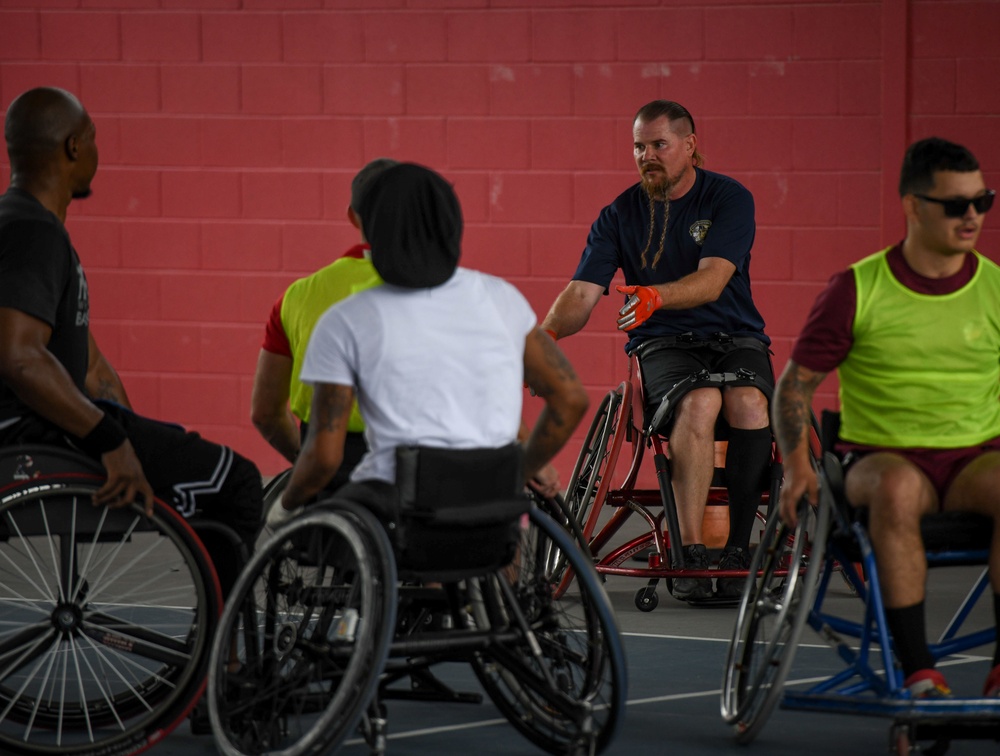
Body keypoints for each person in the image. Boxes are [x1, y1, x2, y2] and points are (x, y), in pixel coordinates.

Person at [0, 86, 262, 595]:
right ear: (74, 146)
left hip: (47, 426)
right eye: (94, 138)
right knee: (237, 484)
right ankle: (220, 642)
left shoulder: (26, 226)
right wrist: (113, 441)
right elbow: (20, 358)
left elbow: (91, 369)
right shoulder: (33, 232)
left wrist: (137, 444)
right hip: (33, 434)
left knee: (184, 462)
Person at [772, 136, 1000, 699]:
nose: (972, 216)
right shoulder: (857, 289)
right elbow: (794, 386)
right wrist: (797, 466)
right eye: (956, 204)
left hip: (974, 460)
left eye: (982, 201)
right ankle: (920, 671)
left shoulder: (995, 288)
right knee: (895, 488)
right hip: (881, 457)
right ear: (913, 206)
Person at [269, 162, 589, 527]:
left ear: (369, 227)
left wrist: (286, 506)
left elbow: (324, 458)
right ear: (452, 224)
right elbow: (571, 398)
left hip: (395, 507)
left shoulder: (345, 318)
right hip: (489, 502)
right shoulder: (501, 297)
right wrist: (519, 471)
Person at [540, 99, 772, 601]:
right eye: (638, 147)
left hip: (735, 336)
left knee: (750, 402)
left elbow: (713, 280)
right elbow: (582, 293)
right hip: (663, 343)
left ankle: (738, 550)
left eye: (659, 145)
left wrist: (655, 295)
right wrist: (545, 338)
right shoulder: (619, 214)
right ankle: (690, 553)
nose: (647, 156)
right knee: (701, 401)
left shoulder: (728, 198)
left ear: (690, 146)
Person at [251, 158, 396, 500]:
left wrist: (306, 462)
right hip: (423, 474)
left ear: (353, 217)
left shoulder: (297, 296)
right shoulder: (444, 294)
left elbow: (265, 413)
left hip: (329, 480)